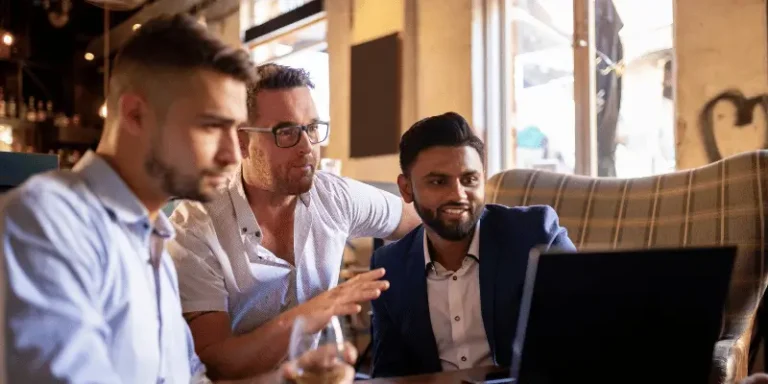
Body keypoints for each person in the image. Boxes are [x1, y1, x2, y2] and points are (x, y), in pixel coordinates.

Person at [0, 15, 353, 384]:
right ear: (135, 114)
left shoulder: (154, 237)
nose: (233, 155)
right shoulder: (46, 221)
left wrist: (288, 378)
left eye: (235, 132)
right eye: (211, 127)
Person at [167, 63, 420, 379]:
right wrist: (317, 311)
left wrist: (400, 307)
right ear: (242, 141)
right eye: (285, 131)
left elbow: (421, 225)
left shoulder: (334, 196)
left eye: (312, 128)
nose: (306, 148)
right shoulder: (195, 228)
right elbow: (219, 362)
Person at [369, 112, 576, 378]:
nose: (458, 194)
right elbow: (391, 375)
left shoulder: (536, 236)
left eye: (469, 179)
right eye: (438, 181)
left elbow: (583, 336)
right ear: (406, 188)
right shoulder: (389, 268)